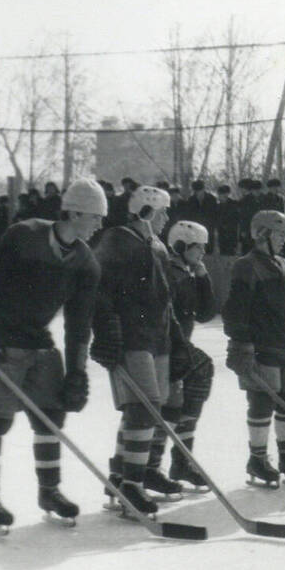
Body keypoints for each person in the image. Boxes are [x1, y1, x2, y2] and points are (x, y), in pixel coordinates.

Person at [0, 177, 105, 532]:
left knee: (52, 416)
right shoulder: (25, 236)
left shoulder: (86, 263)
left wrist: (77, 371)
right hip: (0, 338)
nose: (100, 225)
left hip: (38, 341)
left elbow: (79, 324)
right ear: (73, 212)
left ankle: (49, 491)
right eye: (95, 217)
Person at [91, 185, 181, 515]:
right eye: (163, 212)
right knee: (144, 407)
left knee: (144, 408)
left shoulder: (156, 244)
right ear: (146, 212)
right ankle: (132, 484)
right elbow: (100, 292)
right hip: (131, 336)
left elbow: (165, 295)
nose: (167, 218)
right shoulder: (117, 240)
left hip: (157, 335)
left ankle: (119, 474)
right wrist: (107, 332)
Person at [222, 210, 285, 487]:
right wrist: (241, 343)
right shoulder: (246, 266)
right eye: (280, 234)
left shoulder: (284, 264)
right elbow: (235, 310)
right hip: (262, 345)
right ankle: (258, 459)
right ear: (263, 234)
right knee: (262, 400)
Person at [149, 220, 217, 491]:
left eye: (203, 247)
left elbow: (206, 313)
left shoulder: (186, 273)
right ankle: (153, 464)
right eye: (197, 247)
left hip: (179, 344)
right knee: (171, 404)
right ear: (180, 246)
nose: (202, 252)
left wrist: (203, 277)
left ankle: (179, 460)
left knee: (185, 397)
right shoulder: (171, 273)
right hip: (165, 345)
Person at [215, 184, 240, 256]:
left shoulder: (234, 204)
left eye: (222, 194)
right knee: (223, 253)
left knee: (231, 253)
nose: (220, 196)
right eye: (219, 194)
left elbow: (236, 219)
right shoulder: (218, 206)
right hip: (221, 234)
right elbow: (217, 219)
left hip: (231, 233)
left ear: (226, 194)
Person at [237, 179, 261, 255]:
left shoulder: (262, 199)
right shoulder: (247, 200)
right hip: (250, 229)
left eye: (258, 190)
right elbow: (243, 217)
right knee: (248, 250)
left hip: (254, 229)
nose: (257, 192)